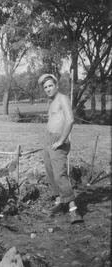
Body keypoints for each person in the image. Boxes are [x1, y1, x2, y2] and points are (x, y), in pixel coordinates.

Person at [38, 73, 83, 224]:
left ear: (56, 85)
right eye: (45, 87)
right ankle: (59, 202)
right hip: (49, 139)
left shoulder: (62, 98)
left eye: (50, 85)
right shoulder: (52, 102)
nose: (48, 89)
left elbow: (70, 120)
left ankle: (73, 210)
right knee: (50, 171)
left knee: (59, 175)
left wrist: (62, 140)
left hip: (59, 140)